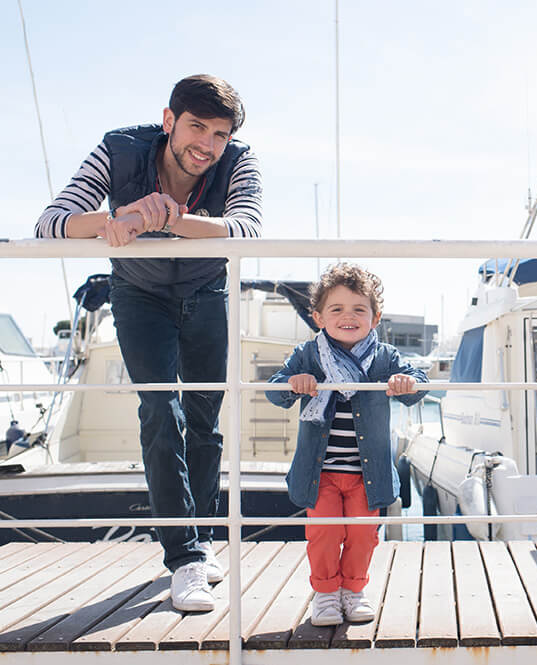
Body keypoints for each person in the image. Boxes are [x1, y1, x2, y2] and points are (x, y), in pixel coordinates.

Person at [35, 74, 263, 612]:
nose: (207, 145)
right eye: (196, 127)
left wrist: (172, 220)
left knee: (204, 420)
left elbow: (248, 229)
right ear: (169, 121)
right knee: (161, 411)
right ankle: (184, 558)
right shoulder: (118, 148)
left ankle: (202, 543)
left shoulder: (240, 160)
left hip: (207, 293)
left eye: (219, 134)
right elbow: (50, 225)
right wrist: (118, 218)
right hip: (138, 295)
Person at [265, 263, 427, 626]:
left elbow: (420, 384)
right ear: (319, 316)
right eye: (336, 309)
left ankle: (353, 592)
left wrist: (407, 382)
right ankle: (324, 595)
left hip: (365, 474)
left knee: (362, 535)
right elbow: (274, 390)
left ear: (376, 317)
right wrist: (294, 381)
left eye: (358, 309)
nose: (348, 317)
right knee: (323, 533)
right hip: (319, 472)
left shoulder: (385, 358)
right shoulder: (308, 354)